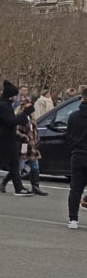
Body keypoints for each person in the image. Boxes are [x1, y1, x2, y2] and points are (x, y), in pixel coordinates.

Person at [0, 82, 34, 196]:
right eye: (15, 95)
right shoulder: (4, 106)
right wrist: (25, 113)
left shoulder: (1, 104)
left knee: (5, 162)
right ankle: (17, 188)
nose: (16, 97)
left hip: (2, 138)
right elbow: (11, 122)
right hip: (3, 139)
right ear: (11, 96)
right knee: (3, 162)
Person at [64, 88, 87, 229]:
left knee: (76, 188)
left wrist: (74, 147)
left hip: (78, 154)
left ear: (82, 98)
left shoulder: (73, 116)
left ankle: (73, 219)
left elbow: (69, 136)